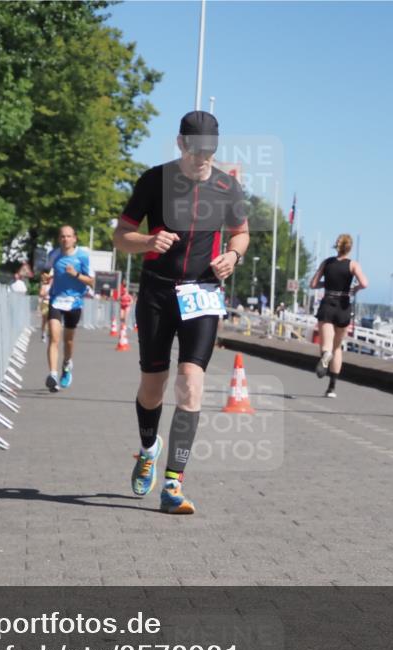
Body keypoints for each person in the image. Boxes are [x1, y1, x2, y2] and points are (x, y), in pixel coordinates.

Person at [113, 110, 249, 514]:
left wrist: (233, 256)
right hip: (156, 293)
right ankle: (148, 447)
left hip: (202, 296)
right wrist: (149, 241)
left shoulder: (228, 187)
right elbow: (121, 236)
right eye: (194, 150)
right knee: (153, 386)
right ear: (180, 144)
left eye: (208, 151)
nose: (201, 158)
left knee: (191, 384)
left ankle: (174, 483)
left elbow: (240, 233)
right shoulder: (154, 180)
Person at [309, 233, 369, 398]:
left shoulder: (327, 263)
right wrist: (355, 289)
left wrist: (325, 283)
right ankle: (331, 388)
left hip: (328, 302)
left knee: (326, 344)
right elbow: (364, 283)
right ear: (349, 248)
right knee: (337, 347)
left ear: (337, 247)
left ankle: (325, 355)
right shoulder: (353, 265)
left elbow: (313, 284)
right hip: (343, 305)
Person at [44, 225, 93, 392]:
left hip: (74, 302)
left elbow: (92, 281)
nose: (65, 239)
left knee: (68, 340)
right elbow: (46, 271)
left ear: (75, 238)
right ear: (59, 239)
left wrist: (76, 275)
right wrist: (45, 277)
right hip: (56, 300)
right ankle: (53, 375)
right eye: (62, 236)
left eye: (69, 236)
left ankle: (66, 365)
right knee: (54, 338)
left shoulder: (83, 257)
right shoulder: (54, 254)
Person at [38, 271, 51, 342]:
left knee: (51, 319)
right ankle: (43, 333)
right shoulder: (44, 286)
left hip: (51, 303)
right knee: (45, 319)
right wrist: (48, 292)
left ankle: (49, 333)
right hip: (45, 302)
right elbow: (41, 294)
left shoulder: (52, 286)